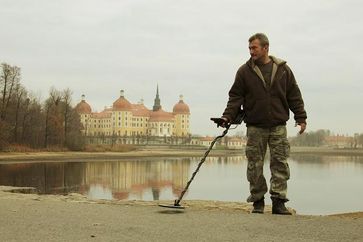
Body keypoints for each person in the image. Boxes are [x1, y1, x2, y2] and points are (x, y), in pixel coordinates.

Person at [220, 33, 307, 215]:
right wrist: (227, 117)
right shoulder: (244, 71)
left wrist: (301, 117)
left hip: (278, 125)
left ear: (266, 48)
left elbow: (294, 95)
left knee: (280, 164)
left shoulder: (283, 69)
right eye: (250, 48)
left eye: (254, 48)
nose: (251, 51)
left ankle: (279, 202)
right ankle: (258, 201)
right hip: (255, 126)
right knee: (254, 165)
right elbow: (235, 97)